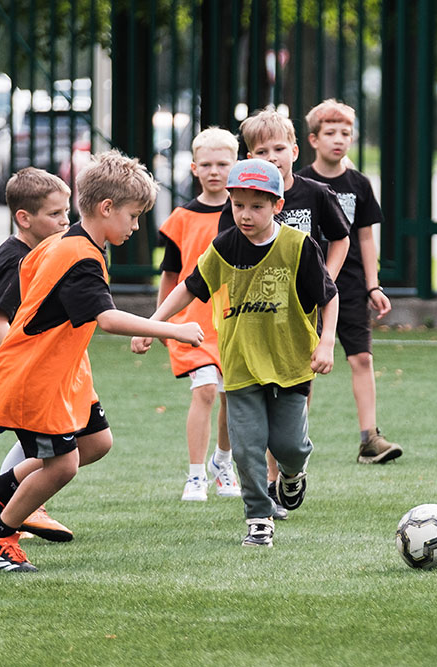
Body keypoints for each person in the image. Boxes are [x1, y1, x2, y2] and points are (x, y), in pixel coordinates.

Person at [0, 150, 205, 572]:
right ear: (106, 208)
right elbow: (107, 319)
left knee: (96, 442)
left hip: (64, 375)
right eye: (133, 216)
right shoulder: (80, 257)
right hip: (35, 378)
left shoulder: (66, 243)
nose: (136, 227)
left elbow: (30, 277)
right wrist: (171, 329)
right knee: (62, 466)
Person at [134, 158, 338, 547]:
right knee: (246, 447)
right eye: (238, 204)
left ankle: (293, 474)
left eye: (257, 206)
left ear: (277, 205)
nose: (245, 214)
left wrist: (326, 341)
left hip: (291, 364)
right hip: (241, 365)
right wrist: (154, 323)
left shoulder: (298, 246)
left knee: (290, 447)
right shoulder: (225, 246)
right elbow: (189, 286)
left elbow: (329, 296)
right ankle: (259, 517)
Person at [218, 106, 351, 518]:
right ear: (248, 157)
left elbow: (341, 237)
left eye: (278, 148)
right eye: (261, 151)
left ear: (294, 150)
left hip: (299, 313)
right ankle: (272, 485)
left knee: (290, 400)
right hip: (257, 317)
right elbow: (224, 259)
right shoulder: (242, 201)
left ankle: (288, 470)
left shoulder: (315, 194)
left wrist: (323, 283)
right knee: (257, 402)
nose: (272, 157)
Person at [0, 167, 77, 544]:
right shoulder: (17, 259)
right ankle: (5, 509)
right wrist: (28, 361)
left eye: (66, 211)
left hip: (29, 371)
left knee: (83, 441)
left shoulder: (39, 252)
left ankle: (3, 501)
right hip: (11, 373)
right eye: (55, 214)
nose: (65, 220)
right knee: (54, 451)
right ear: (24, 218)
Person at [297, 99, 402, 464]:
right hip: (308, 288)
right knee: (304, 365)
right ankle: (294, 438)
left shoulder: (359, 184)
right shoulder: (301, 183)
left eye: (346, 133)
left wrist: (374, 286)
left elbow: (366, 237)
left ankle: (370, 439)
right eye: (330, 133)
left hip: (352, 287)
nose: (339, 139)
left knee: (361, 358)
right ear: (313, 139)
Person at [156, 127, 241, 501]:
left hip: (235, 322)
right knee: (205, 389)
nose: (214, 171)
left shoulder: (245, 212)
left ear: (236, 165)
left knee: (232, 397)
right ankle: (195, 476)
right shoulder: (181, 218)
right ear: (193, 168)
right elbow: (171, 275)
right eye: (206, 164)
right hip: (192, 323)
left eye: (222, 164)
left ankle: (223, 462)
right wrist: (158, 324)